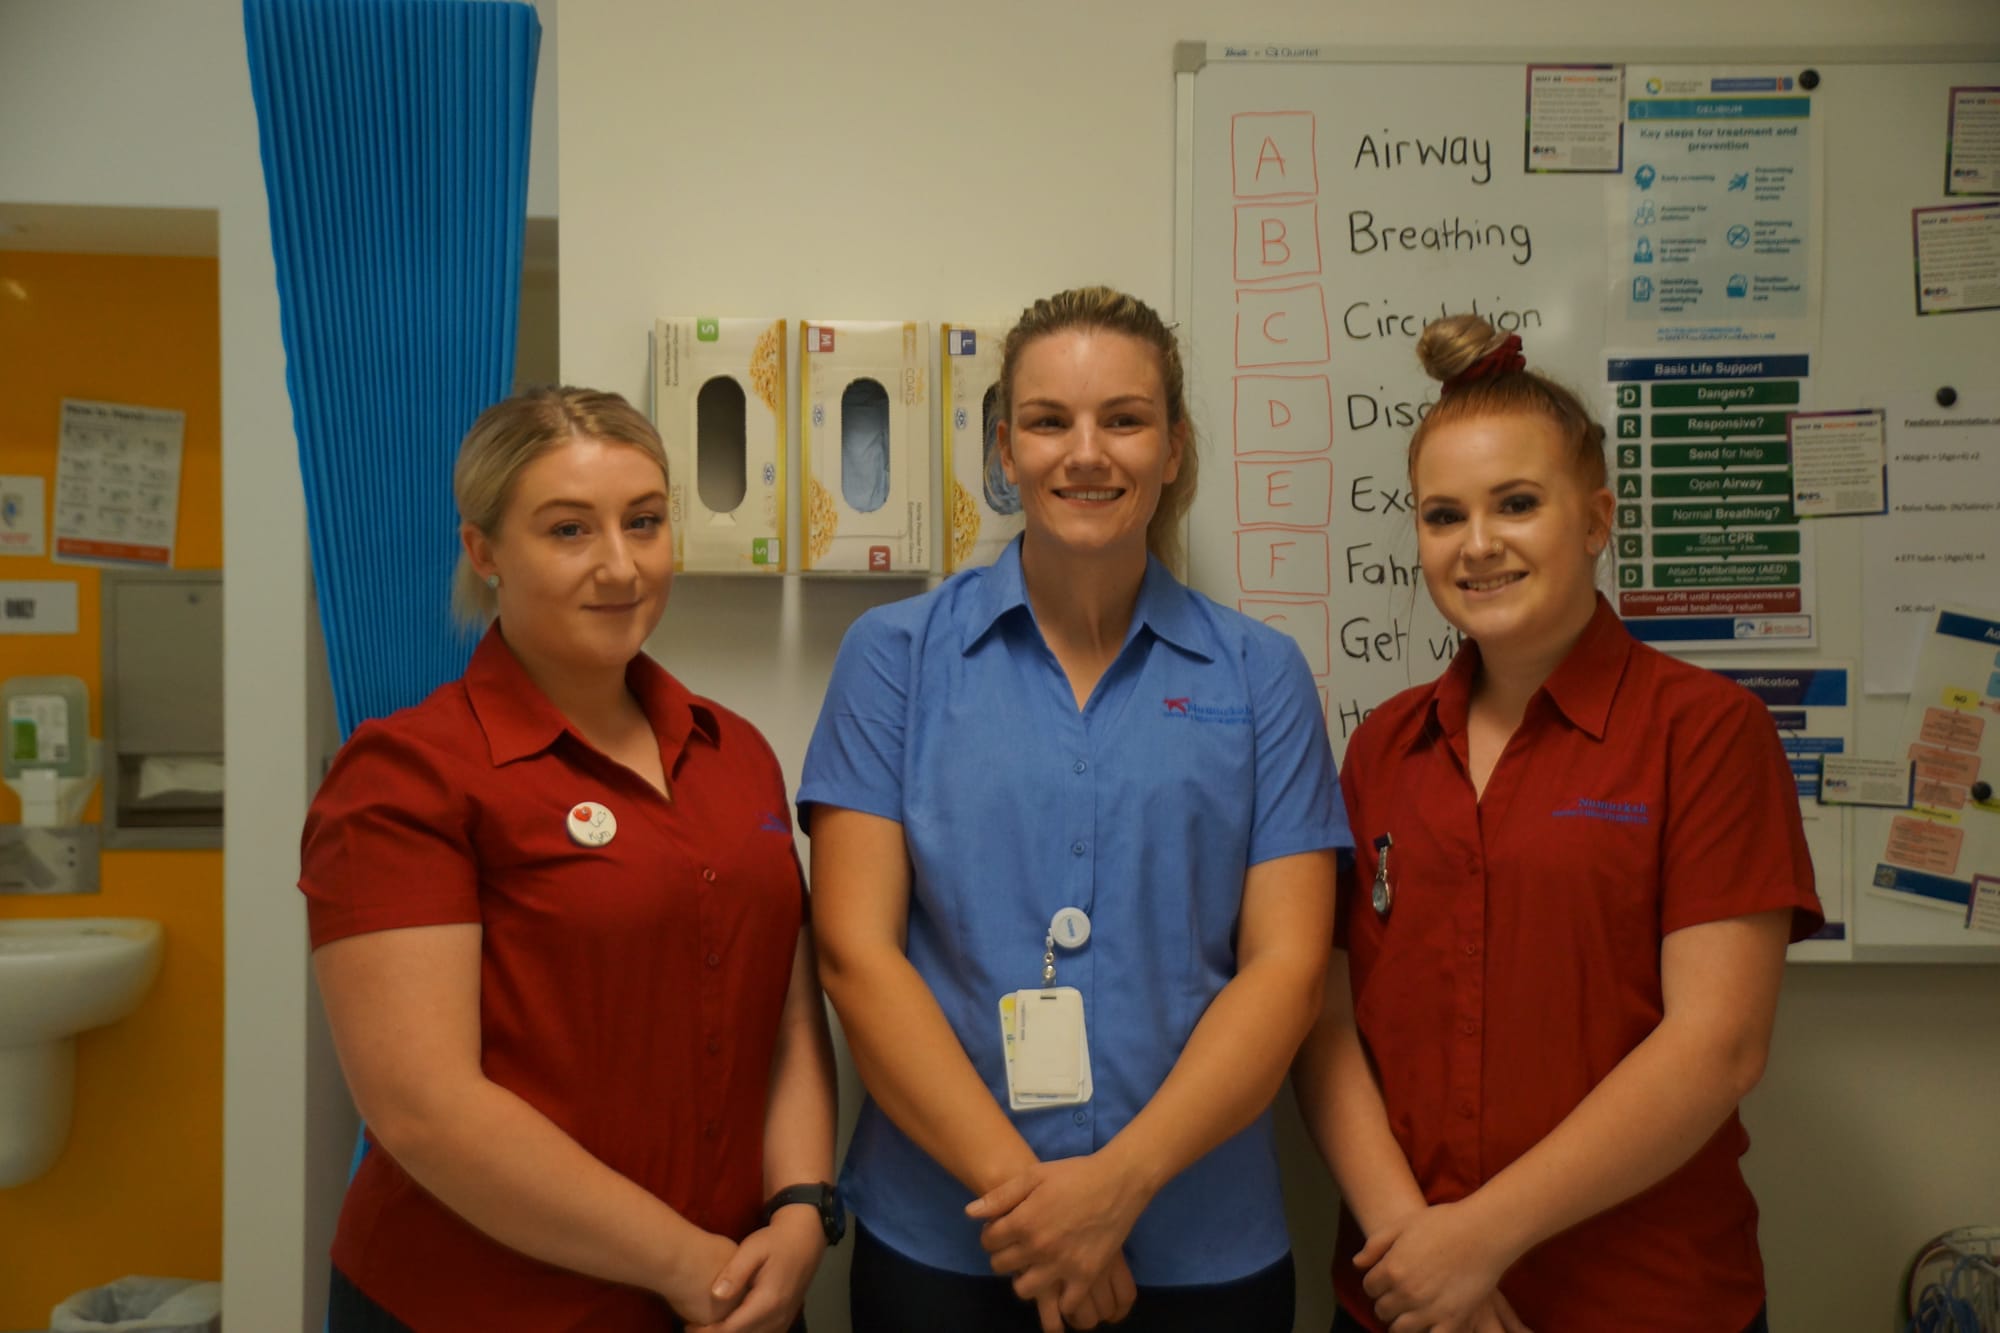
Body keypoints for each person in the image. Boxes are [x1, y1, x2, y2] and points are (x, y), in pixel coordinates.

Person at [800, 286, 1350, 1333]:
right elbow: (854, 957)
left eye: (1125, 420)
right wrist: (1039, 1209)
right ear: (1003, 450)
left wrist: (1115, 1188)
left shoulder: (1261, 674)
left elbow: (1285, 971)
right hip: (952, 1232)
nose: (1085, 453)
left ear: (1175, 448)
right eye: (1049, 421)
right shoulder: (895, 659)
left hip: (1199, 1241)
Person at [1292, 317, 1823, 1333]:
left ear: (1594, 519)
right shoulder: (1382, 751)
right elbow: (1322, 1023)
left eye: (1516, 504)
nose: (1476, 543)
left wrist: (1476, 1240)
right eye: (1442, 515)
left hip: (1640, 1300)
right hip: (1405, 1299)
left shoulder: (1705, 733)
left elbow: (1718, 1045)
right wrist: (1418, 1245)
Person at [300, 387, 838, 1333]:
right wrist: (687, 1263)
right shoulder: (406, 776)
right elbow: (423, 1107)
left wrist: (802, 1208)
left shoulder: (733, 751)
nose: (620, 566)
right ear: (483, 552)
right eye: (567, 530)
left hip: (736, 1294)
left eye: (644, 522)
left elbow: (787, 1020)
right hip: (484, 1305)